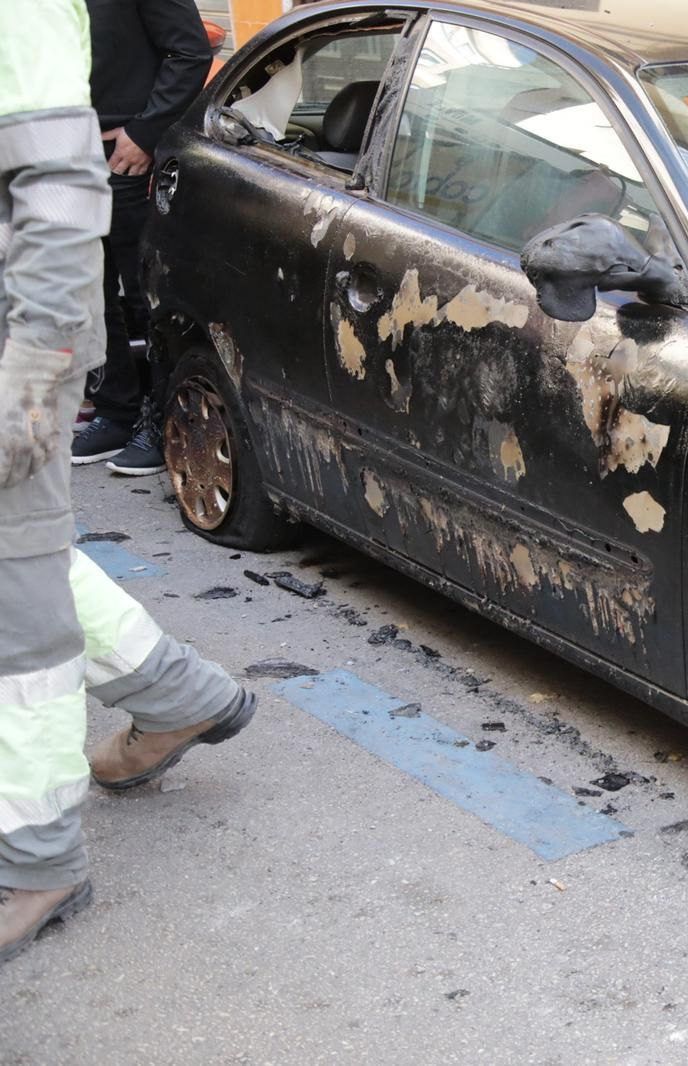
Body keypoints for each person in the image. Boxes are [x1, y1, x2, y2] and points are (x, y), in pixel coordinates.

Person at [1, 0, 255, 967]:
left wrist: (30, 379)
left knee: (16, 614)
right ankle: (183, 695)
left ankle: (36, 860)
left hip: (15, 347)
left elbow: (59, 193)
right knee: (23, 567)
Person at [71, 0, 211, 475]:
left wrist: (144, 132)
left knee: (148, 294)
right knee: (88, 291)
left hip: (124, 156)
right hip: (60, 153)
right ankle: (115, 410)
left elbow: (190, 52)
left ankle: (162, 418)